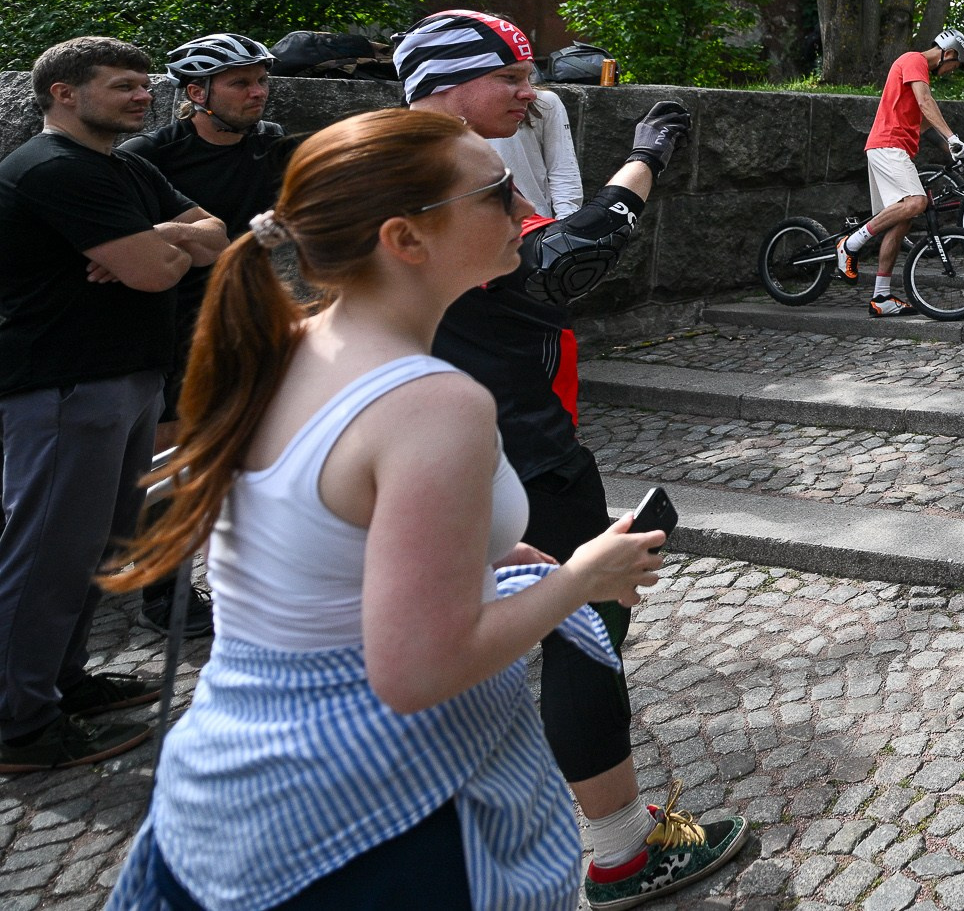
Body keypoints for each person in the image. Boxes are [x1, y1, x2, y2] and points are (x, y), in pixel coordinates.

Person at [99, 108, 664, 910]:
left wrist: (485, 555)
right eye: (499, 192)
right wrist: (580, 577)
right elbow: (418, 673)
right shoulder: (433, 403)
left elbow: (314, 532)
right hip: (376, 820)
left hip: (222, 787)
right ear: (406, 238)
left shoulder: (278, 343)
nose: (523, 210)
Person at [395, 10, 747, 906]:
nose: (530, 90)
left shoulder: (394, 159)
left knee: (520, 634)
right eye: (508, 76)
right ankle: (621, 853)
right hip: (511, 449)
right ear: (440, 86)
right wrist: (645, 162)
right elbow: (564, 264)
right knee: (585, 638)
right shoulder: (435, 171)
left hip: (453, 437)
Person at [0, 38, 228, 775]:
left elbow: (216, 234)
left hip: (124, 381)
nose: (142, 96)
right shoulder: (52, 169)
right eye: (123, 85)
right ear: (64, 93)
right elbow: (159, 274)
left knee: (97, 548)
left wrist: (158, 234)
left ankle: (64, 682)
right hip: (66, 386)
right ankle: (18, 724)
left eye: (143, 84)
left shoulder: (126, 166)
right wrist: (163, 245)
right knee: (46, 555)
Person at [119, 32, 289, 634]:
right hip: (170, 324)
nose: (257, 93)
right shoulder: (148, 154)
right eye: (241, 83)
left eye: (261, 81)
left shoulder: (268, 146)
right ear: (197, 92)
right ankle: (163, 598)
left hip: (243, 314)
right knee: (171, 458)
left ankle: (248, 575)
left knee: (246, 448)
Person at [833, 31, 964, 317]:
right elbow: (925, 103)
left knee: (903, 221)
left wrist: (955, 150)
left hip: (893, 149)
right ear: (949, 53)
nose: (951, 72)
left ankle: (881, 297)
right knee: (915, 203)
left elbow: (922, 122)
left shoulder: (919, 73)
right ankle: (849, 244)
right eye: (956, 66)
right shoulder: (914, 60)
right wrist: (953, 136)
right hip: (888, 145)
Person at [498, 85, 586, 219]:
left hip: (532, 225)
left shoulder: (545, 102)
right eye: (510, 76)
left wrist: (566, 223)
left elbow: (563, 169)